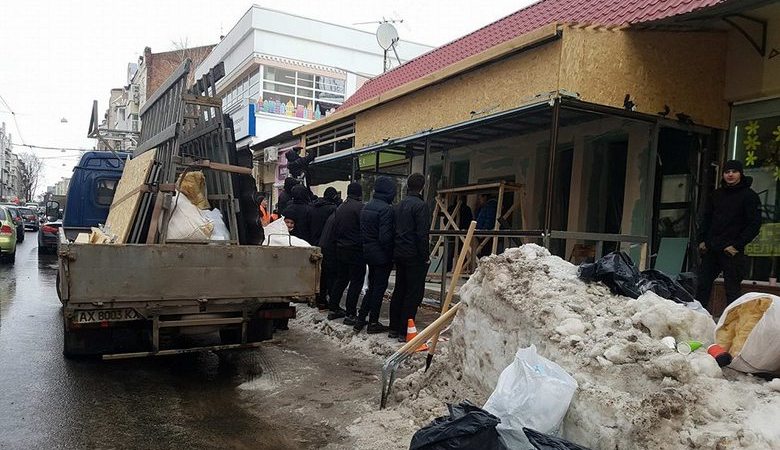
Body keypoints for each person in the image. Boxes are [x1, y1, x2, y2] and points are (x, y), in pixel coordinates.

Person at [695, 159, 761, 309]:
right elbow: (706, 218)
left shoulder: (749, 196)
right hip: (712, 248)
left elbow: (754, 224)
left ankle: (731, 326)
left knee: (732, 291)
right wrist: (702, 240)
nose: (730, 175)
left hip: (732, 251)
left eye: (734, 172)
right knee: (702, 286)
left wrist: (737, 245)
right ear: (723, 174)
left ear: (740, 174)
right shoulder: (716, 195)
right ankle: (699, 319)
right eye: (727, 172)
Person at [389, 173, 431, 342]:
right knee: (412, 293)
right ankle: (404, 330)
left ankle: (393, 327)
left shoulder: (398, 206)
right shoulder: (421, 206)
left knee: (399, 289)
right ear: (422, 187)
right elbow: (422, 234)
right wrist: (425, 255)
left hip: (399, 253)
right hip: (414, 255)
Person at [355, 176, 396, 333]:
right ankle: (373, 322)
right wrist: (390, 255)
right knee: (379, 288)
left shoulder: (366, 207)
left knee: (372, 287)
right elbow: (385, 237)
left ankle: (361, 319)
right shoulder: (386, 209)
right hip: (381, 255)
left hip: (368, 253)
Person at [327, 182, 366, 324]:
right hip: (355, 250)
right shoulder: (360, 208)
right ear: (359, 193)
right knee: (356, 281)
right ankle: (350, 313)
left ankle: (333, 307)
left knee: (341, 278)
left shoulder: (340, 208)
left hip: (340, 248)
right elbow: (363, 229)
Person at [316, 213, 338, 310]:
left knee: (323, 276)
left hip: (323, 246)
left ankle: (322, 300)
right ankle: (330, 303)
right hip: (331, 250)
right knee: (331, 278)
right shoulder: (337, 215)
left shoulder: (333, 215)